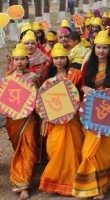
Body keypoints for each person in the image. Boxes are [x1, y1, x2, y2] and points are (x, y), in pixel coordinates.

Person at [72, 31, 110, 199]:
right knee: (89, 150)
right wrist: (84, 88)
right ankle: (91, 185)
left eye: (105, 48)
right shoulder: (88, 65)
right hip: (90, 111)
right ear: (94, 48)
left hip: (108, 110)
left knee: (108, 150)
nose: (101, 51)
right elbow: (81, 84)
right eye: (99, 47)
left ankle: (102, 184)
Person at [38, 43, 84, 196]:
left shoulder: (76, 74)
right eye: (56, 58)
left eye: (62, 58)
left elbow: (81, 94)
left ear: (67, 58)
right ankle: (56, 182)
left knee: (74, 148)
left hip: (72, 119)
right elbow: (42, 100)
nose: (59, 61)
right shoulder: (49, 79)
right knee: (56, 148)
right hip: (55, 120)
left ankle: (73, 182)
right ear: (52, 60)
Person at [5, 43, 41, 200]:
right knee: (18, 148)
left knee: (29, 147)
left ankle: (24, 184)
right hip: (13, 120)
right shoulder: (8, 79)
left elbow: (40, 97)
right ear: (12, 61)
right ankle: (21, 175)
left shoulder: (34, 77)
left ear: (28, 61)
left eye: (22, 59)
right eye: (16, 59)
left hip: (30, 118)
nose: (19, 62)